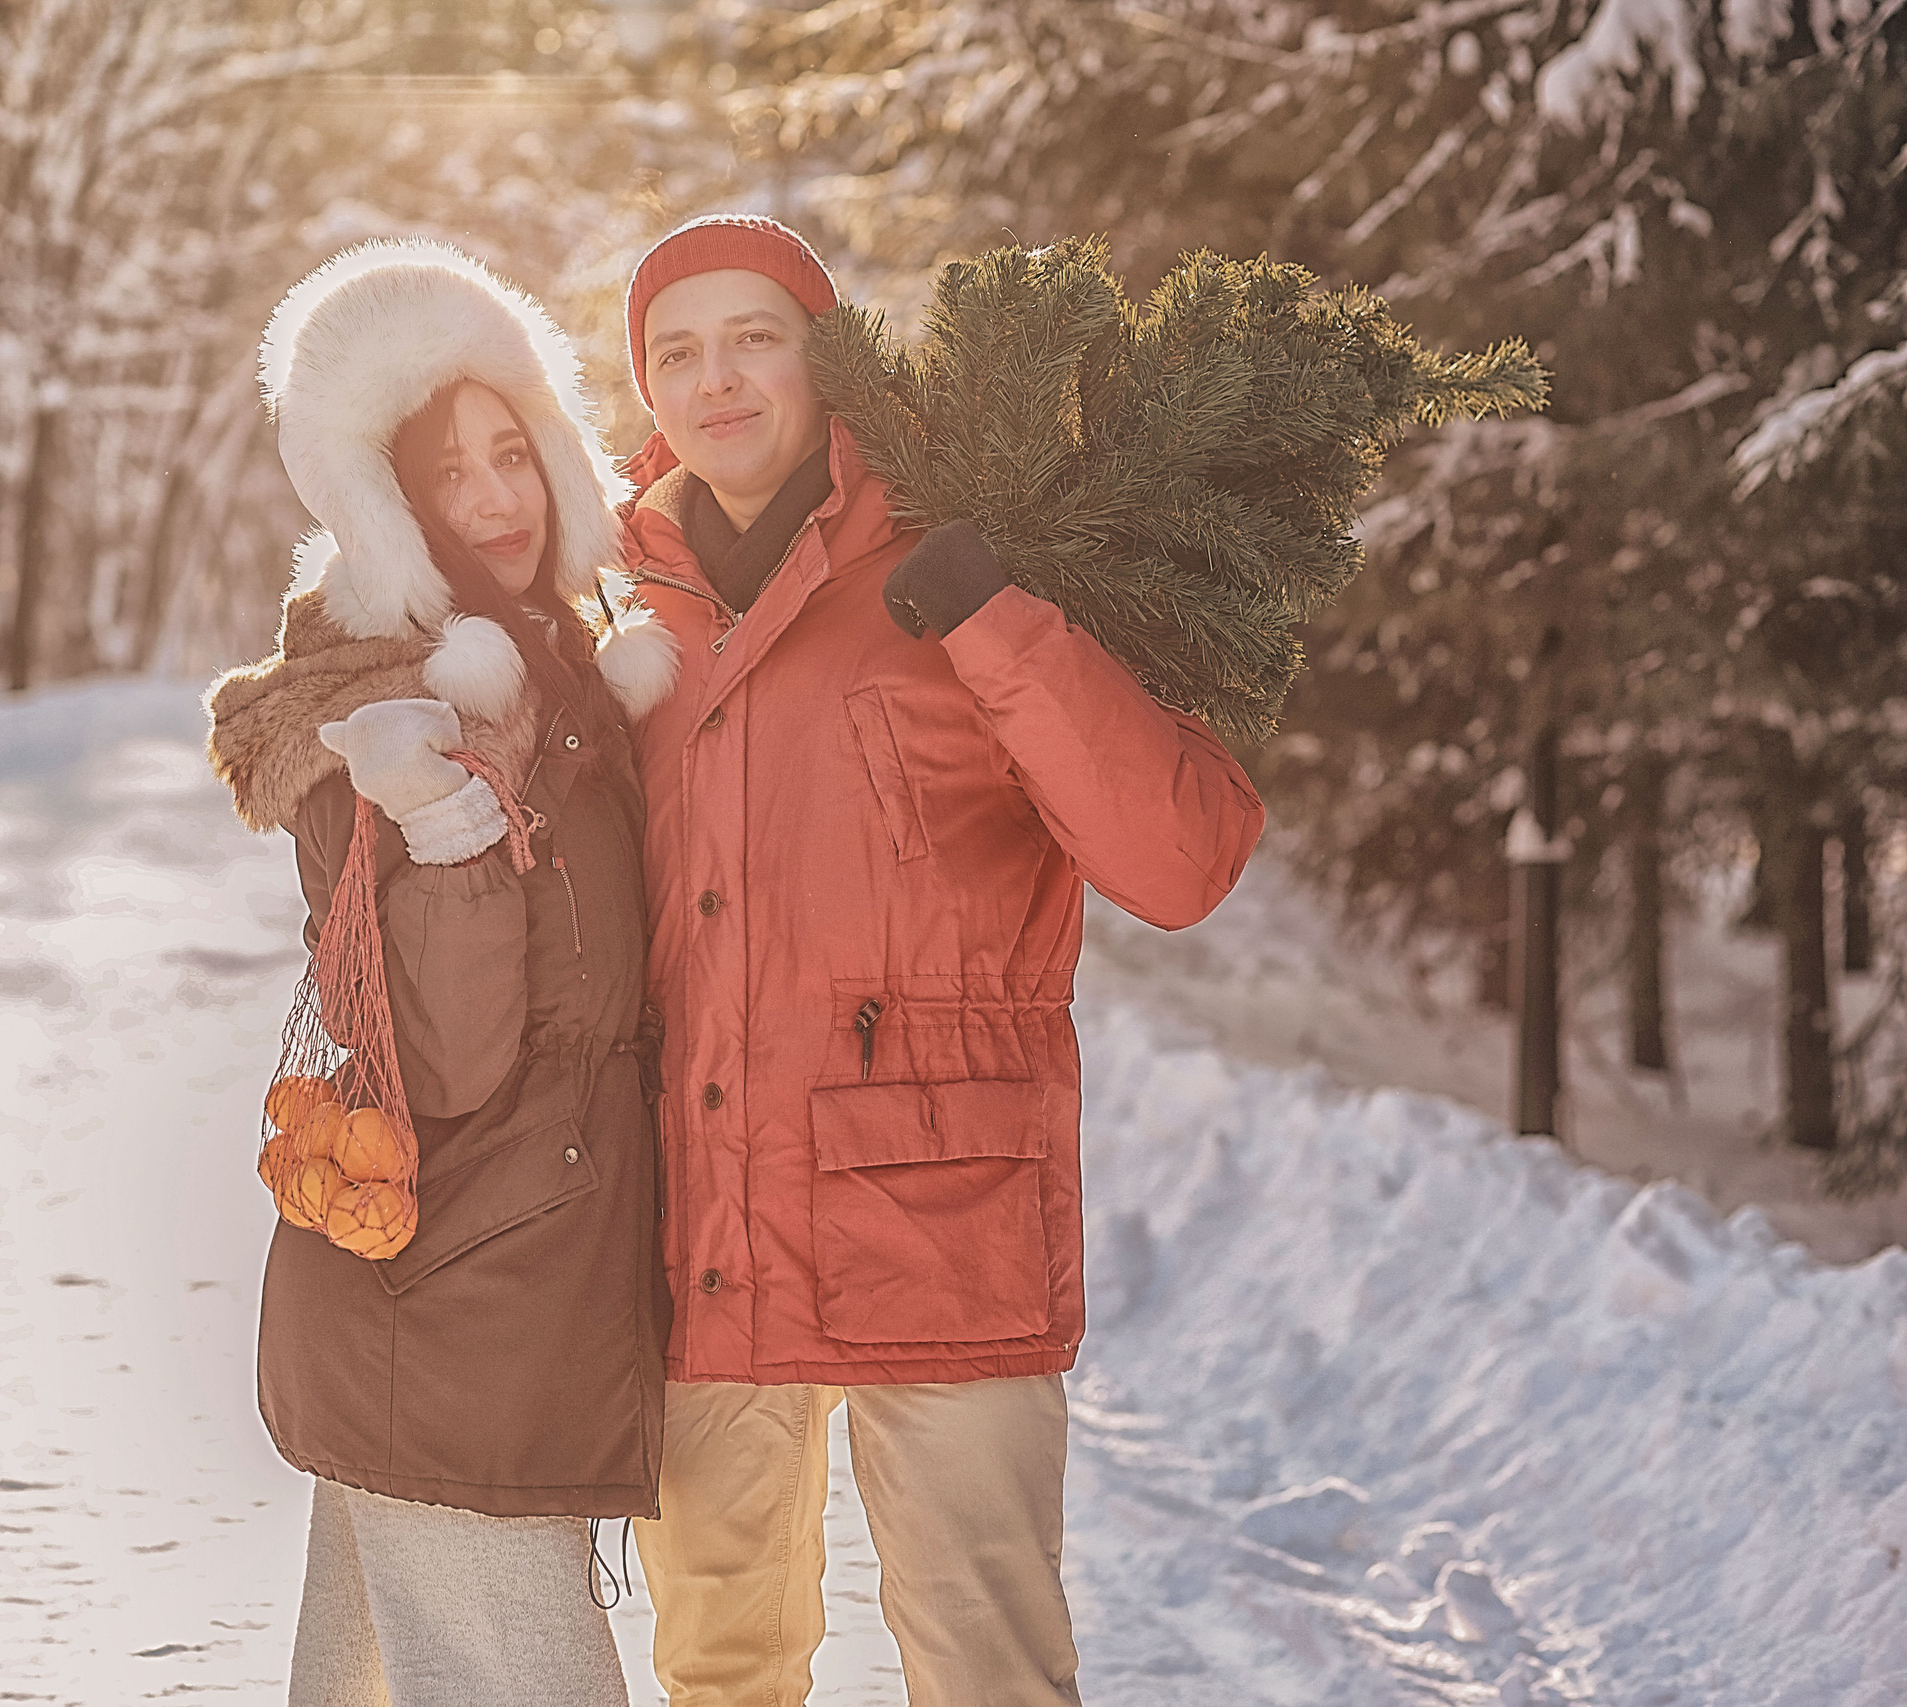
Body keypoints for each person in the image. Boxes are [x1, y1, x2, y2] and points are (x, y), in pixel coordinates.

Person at [610, 215, 1267, 1705]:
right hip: (701, 1222)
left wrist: (994, 620)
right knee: (718, 1666)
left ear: (825, 358)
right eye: (676, 351)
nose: (716, 380)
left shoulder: (979, 561)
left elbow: (1182, 861)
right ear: (644, 388)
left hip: (948, 1218)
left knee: (989, 1667)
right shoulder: (621, 605)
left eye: (753, 337)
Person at [205, 241, 682, 1707]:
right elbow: (452, 1056)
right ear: (382, 511)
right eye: (444, 475)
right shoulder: (376, 711)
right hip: (461, 1305)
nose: (494, 498)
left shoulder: (561, 675)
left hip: (500, 1297)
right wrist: (451, 825)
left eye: (512, 452)